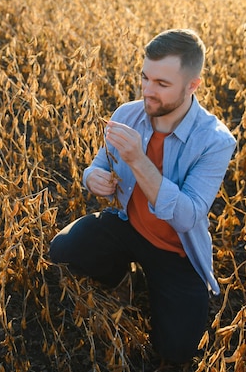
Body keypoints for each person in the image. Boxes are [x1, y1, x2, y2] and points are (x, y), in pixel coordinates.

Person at [49, 29, 236, 368]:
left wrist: (138, 159)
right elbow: (97, 164)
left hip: (177, 250)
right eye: (145, 78)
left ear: (192, 85)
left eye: (162, 84)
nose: (148, 91)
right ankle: (123, 279)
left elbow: (187, 217)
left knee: (177, 351)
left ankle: (156, 285)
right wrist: (93, 179)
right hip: (128, 227)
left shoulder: (215, 141)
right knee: (63, 249)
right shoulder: (128, 113)